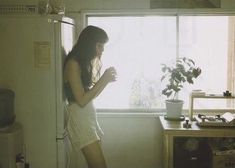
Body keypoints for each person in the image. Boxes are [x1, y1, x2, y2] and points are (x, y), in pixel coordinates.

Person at [63, 25, 117, 168]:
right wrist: (104, 79)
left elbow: (89, 96)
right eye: (99, 45)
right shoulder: (73, 64)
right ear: (89, 44)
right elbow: (81, 100)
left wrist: (105, 81)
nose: (102, 50)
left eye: (103, 46)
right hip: (80, 120)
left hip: (87, 118)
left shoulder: (82, 63)